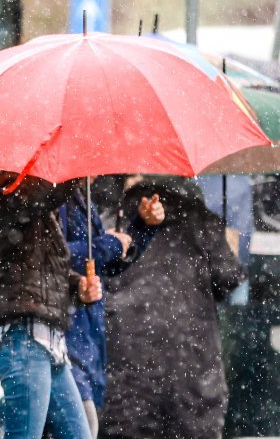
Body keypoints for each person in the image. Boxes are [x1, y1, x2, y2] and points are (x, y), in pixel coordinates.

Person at [100, 176, 244, 439]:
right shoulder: (200, 219)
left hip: (127, 376)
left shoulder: (115, 220)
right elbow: (228, 278)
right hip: (193, 371)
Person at [0, 170, 102, 439]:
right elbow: (35, 199)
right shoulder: (7, 187)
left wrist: (78, 287)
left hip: (50, 344)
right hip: (26, 342)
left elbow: (42, 272)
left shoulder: (40, 204)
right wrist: (75, 172)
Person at [60, 181, 165, 438]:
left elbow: (103, 264)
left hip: (87, 341)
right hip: (67, 338)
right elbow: (55, 257)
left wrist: (139, 228)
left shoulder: (80, 196)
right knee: (82, 427)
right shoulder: (57, 199)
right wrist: (108, 244)